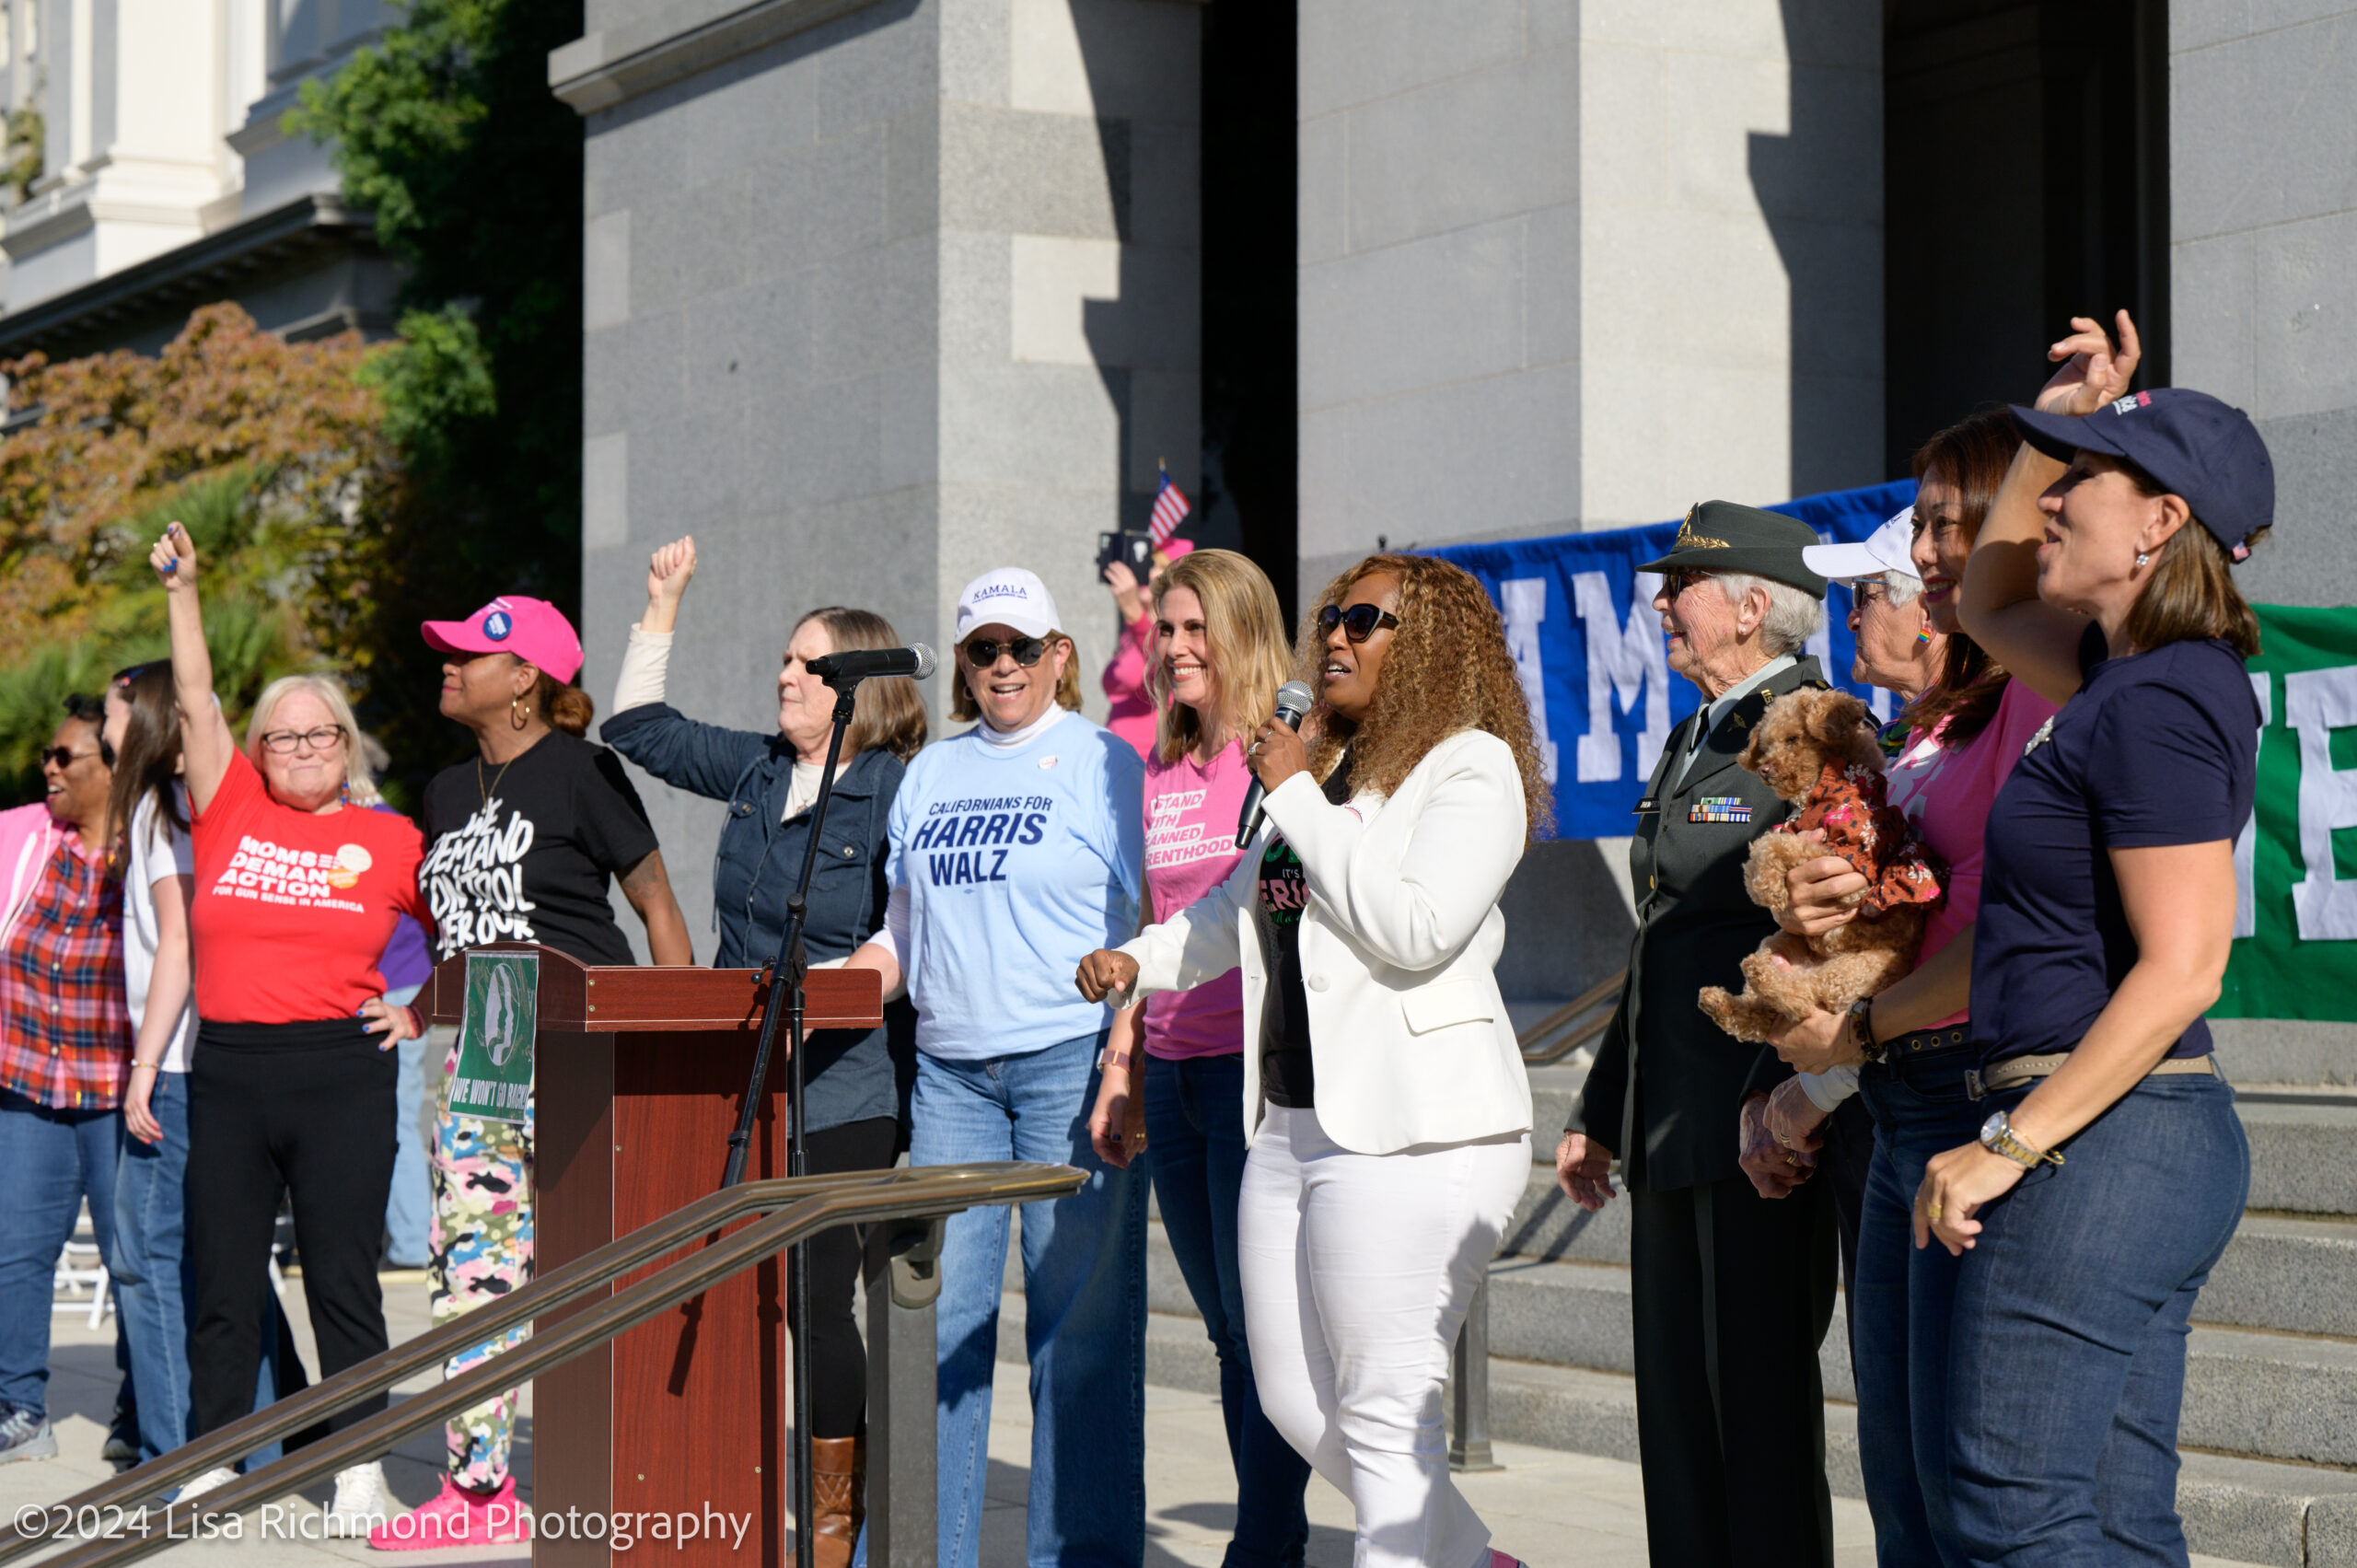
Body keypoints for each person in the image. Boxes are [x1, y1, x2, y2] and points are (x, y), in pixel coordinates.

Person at [1077, 552, 1549, 1568]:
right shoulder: (1328, 776)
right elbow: (1232, 912)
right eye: (1331, 612)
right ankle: (1464, 1555)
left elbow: (1412, 925)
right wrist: (1140, 959)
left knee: (1382, 1407)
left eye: (1364, 618)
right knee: (1291, 1395)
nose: (1332, 632)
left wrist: (1294, 793)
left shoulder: (1470, 767)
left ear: (1425, 642)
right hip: (1291, 1119)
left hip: (1419, 1126)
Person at [1915, 314, 2264, 1564]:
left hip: (2103, 1144)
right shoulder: (2124, 672)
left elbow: (2188, 963)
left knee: (2014, 1517)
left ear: (2161, 524)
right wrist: (2052, 413)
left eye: (2079, 481)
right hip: (2120, 1145)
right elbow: (1988, 593)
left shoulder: (2166, 693)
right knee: (2110, 1525)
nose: (2047, 499)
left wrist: (2008, 1143)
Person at [1750, 411, 2061, 1563]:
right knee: (1901, 1466)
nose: (1875, 602)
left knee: (1960, 1482)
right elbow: (1910, 913)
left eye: (1934, 544)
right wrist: (1822, 910)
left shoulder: (2024, 699)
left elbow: (2004, 928)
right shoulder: (1923, 738)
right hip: (1901, 1101)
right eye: (1912, 546)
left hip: (1974, 1089)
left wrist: (1843, 1045)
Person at [604, 538, 925, 1568]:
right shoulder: (752, 766)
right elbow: (637, 729)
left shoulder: (894, 789)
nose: (784, 675)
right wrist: (663, 604)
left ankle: (835, 1518)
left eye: (808, 664)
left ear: (860, 686)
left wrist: (856, 980)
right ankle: (728, 1484)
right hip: (741, 1083)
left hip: (845, 1084)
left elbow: (916, 925)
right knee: (745, 1293)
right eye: (785, 661)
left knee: (811, 1294)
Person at [365, 596, 691, 1551]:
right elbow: (461, 937)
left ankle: (642, 1466)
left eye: (469, 654)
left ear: (525, 681)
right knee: (472, 1268)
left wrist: (681, 1040)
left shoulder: (584, 772)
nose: (448, 665)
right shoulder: (443, 790)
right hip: (485, 1054)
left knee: (608, 1263)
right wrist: (419, 1008)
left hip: (588, 1040)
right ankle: (478, 1491)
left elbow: (657, 904)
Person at [1553, 503, 1839, 1568]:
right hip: (1671, 1120)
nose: (1662, 603)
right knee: (1676, 1410)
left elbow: (1831, 942)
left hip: (1759, 1120)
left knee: (1756, 1412)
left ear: (1753, 607)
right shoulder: (1698, 733)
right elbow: (1661, 935)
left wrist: (1785, 1101)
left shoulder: (1815, 727)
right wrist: (1599, 1106)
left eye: (1683, 587)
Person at [842, 566, 1145, 1568]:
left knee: (1080, 1334)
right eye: (983, 649)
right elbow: (901, 931)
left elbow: (1145, 928)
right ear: (963, 662)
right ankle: (926, 1551)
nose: (1003, 665)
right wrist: (839, 987)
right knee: (935, 1321)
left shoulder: (1105, 760)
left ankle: (1086, 1553)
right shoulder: (929, 771)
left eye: (1022, 646)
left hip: (1068, 1060)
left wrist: (1120, 1057)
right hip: (952, 1075)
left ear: (1060, 654)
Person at [147, 521, 431, 1529]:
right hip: (229, 1069)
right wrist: (184, 591)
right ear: (256, 751)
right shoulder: (228, 808)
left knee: (345, 1279)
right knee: (222, 1278)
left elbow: (473, 933)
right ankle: (216, 1463)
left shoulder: (391, 836)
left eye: (320, 734)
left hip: (342, 1071)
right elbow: (194, 697)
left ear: (346, 746)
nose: (303, 748)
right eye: (284, 735)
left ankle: (359, 1461)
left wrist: (420, 1007)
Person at [1084, 548, 1313, 1568]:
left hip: (1250, 1077)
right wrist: (1123, 1061)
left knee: (1263, 1324)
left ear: (1240, 634)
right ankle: (1271, 1534)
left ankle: (1264, 1543)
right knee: (1226, 1328)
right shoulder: (1165, 764)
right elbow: (1154, 917)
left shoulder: (1281, 759)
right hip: (1169, 1072)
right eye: (1163, 630)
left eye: (1190, 630)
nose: (1171, 647)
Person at [0, 693, 135, 1463]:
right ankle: (19, 1410)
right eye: (46, 757)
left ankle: (138, 1407)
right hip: (25, 1087)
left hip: (120, 1095)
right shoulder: (24, 836)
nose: (47, 767)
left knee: (133, 1262)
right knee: (15, 1253)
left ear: (113, 768)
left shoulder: (151, 847)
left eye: (65, 758)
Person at [1101, 539, 1194, 758]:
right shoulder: (1133, 629)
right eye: (1149, 565)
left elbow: (1161, 662)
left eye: (1160, 566)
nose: (1150, 573)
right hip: (1115, 755)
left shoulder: (1164, 631)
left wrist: (1133, 612)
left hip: (1147, 758)